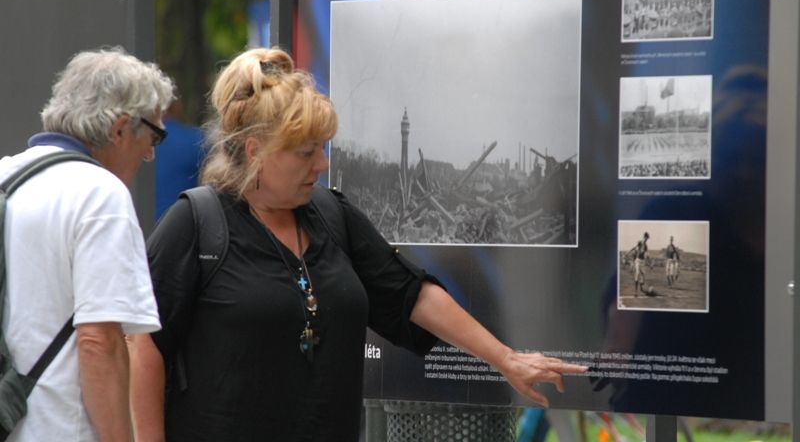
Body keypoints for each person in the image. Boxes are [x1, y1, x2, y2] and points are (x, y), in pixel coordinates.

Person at [128, 47, 587, 442]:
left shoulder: (331, 215)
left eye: (323, 148)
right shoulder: (195, 224)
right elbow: (144, 345)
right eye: (306, 152)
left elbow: (410, 292)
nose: (322, 165)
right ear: (256, 152)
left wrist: (506, 359)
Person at [0, 47, 173, 441]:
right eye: (153, 136)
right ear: (119, 128)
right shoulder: (100, 195)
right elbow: (99, 341)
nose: (149, 153)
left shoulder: (5, 175)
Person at [154, 100, 206, 219]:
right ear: (177, 107)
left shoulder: (135, 140)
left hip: (139, 224)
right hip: (179, 225)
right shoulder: (196, 140)